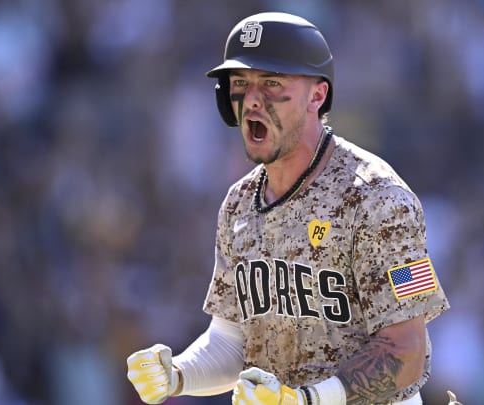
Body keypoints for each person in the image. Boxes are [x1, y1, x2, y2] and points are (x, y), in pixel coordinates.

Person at [127, 12, 450, 405]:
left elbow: (407, 351)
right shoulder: (238, 205)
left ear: (317, 95)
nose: (252, 100)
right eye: (240, 84)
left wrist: (308, 400)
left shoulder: (380, 198)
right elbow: (231, 343)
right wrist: (178, 375)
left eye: (272, 83)